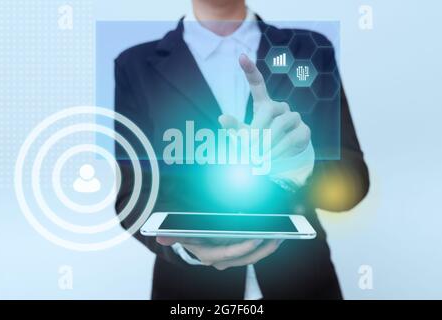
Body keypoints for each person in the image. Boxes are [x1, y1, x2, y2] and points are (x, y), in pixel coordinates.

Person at [114, 0, 369, 299]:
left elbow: (352, 183)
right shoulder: (134, 65)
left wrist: (303, 167)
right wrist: (184, 248)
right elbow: (132, 194)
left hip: (303, 281)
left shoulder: (308, 51)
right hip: (189, 292)